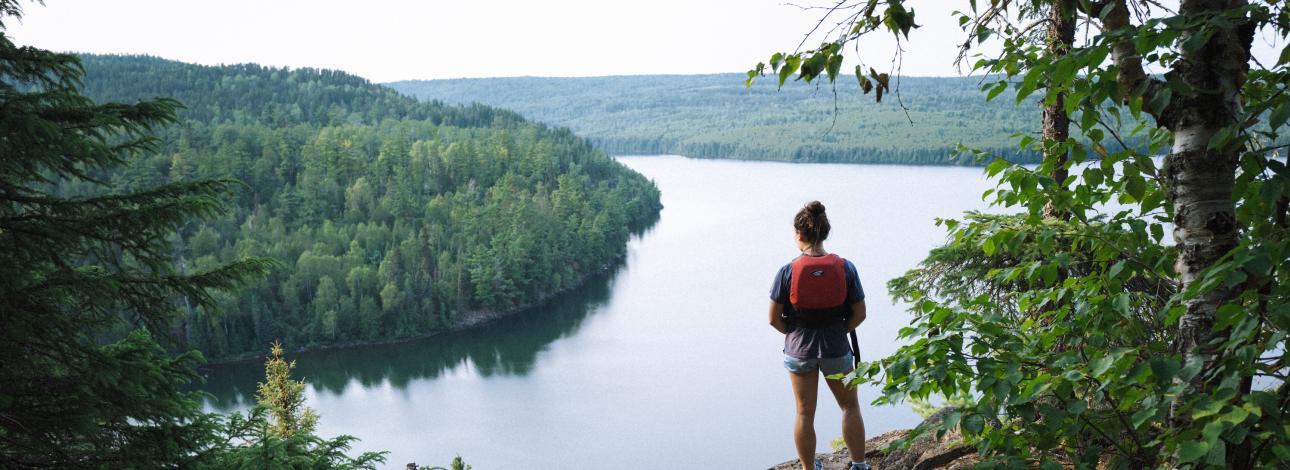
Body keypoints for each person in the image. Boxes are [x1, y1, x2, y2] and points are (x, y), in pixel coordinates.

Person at [768, 201, 870, 470]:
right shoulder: (846, 268)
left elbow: (773, 318)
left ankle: (808, 468)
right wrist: (839, 330)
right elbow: (860, 313)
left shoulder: (787, 271)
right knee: (849, 407)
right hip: (836, 347)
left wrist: (793, 333)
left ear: (799, 234)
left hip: (799, 350)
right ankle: (859, 465)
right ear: (825, 232)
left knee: (804, 412)